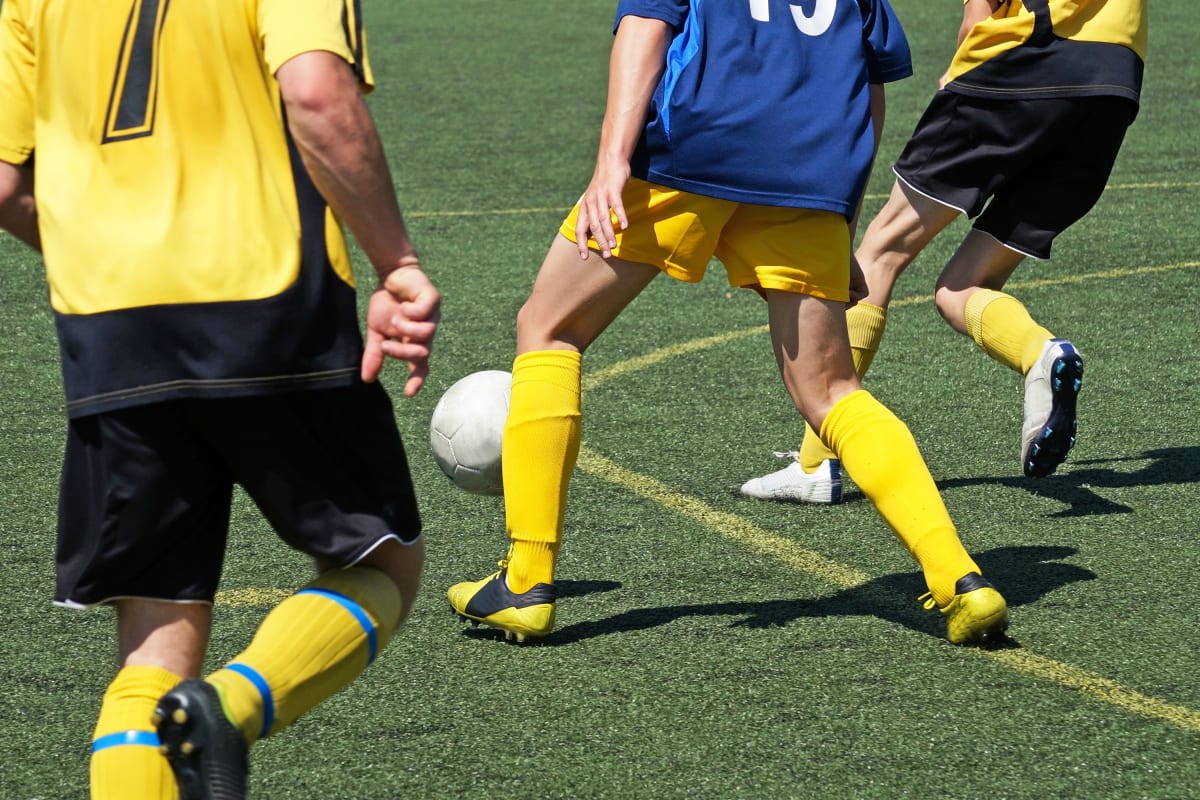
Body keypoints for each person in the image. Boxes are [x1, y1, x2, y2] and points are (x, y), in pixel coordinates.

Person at [447, 1, 1008, 649]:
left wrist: (610, 163)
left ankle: (526, 582)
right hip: (812, 168)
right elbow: (871, 83)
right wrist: (843, 222)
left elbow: (646, 25)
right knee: (832, 393)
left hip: (693, 148)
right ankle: (959, 579)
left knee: (549, 329)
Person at [0, 1, 440, 798]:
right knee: (380, 561)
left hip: (110, 326)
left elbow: (3, 183)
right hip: (266, 299)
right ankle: (228, 711)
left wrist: (111, 262)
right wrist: (395, 262)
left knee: (152, 640)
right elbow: (314, 91)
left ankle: (177, 724)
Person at [740, 0, 1147, 504]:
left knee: (880, 252)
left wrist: (962, 68)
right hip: (1115, 82)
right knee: (964, 286)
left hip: (1024, 60)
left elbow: (979, 10)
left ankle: (817, 462)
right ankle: (1041, 353)